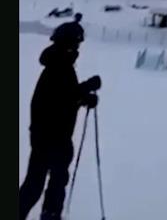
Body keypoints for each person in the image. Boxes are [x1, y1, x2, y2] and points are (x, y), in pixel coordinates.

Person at [19, 31, 101, 220]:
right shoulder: (60, 67)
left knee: (38, 181)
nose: (78, 49)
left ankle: (42, 213)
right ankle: (50, 214)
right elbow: (64, 99)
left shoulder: (57, 64)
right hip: (54, 136)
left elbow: (65, 98)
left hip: (45, 135)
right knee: (50, 180)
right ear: (69, 45)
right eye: (76, 44)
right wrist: (87, 88)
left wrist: (84, 97)